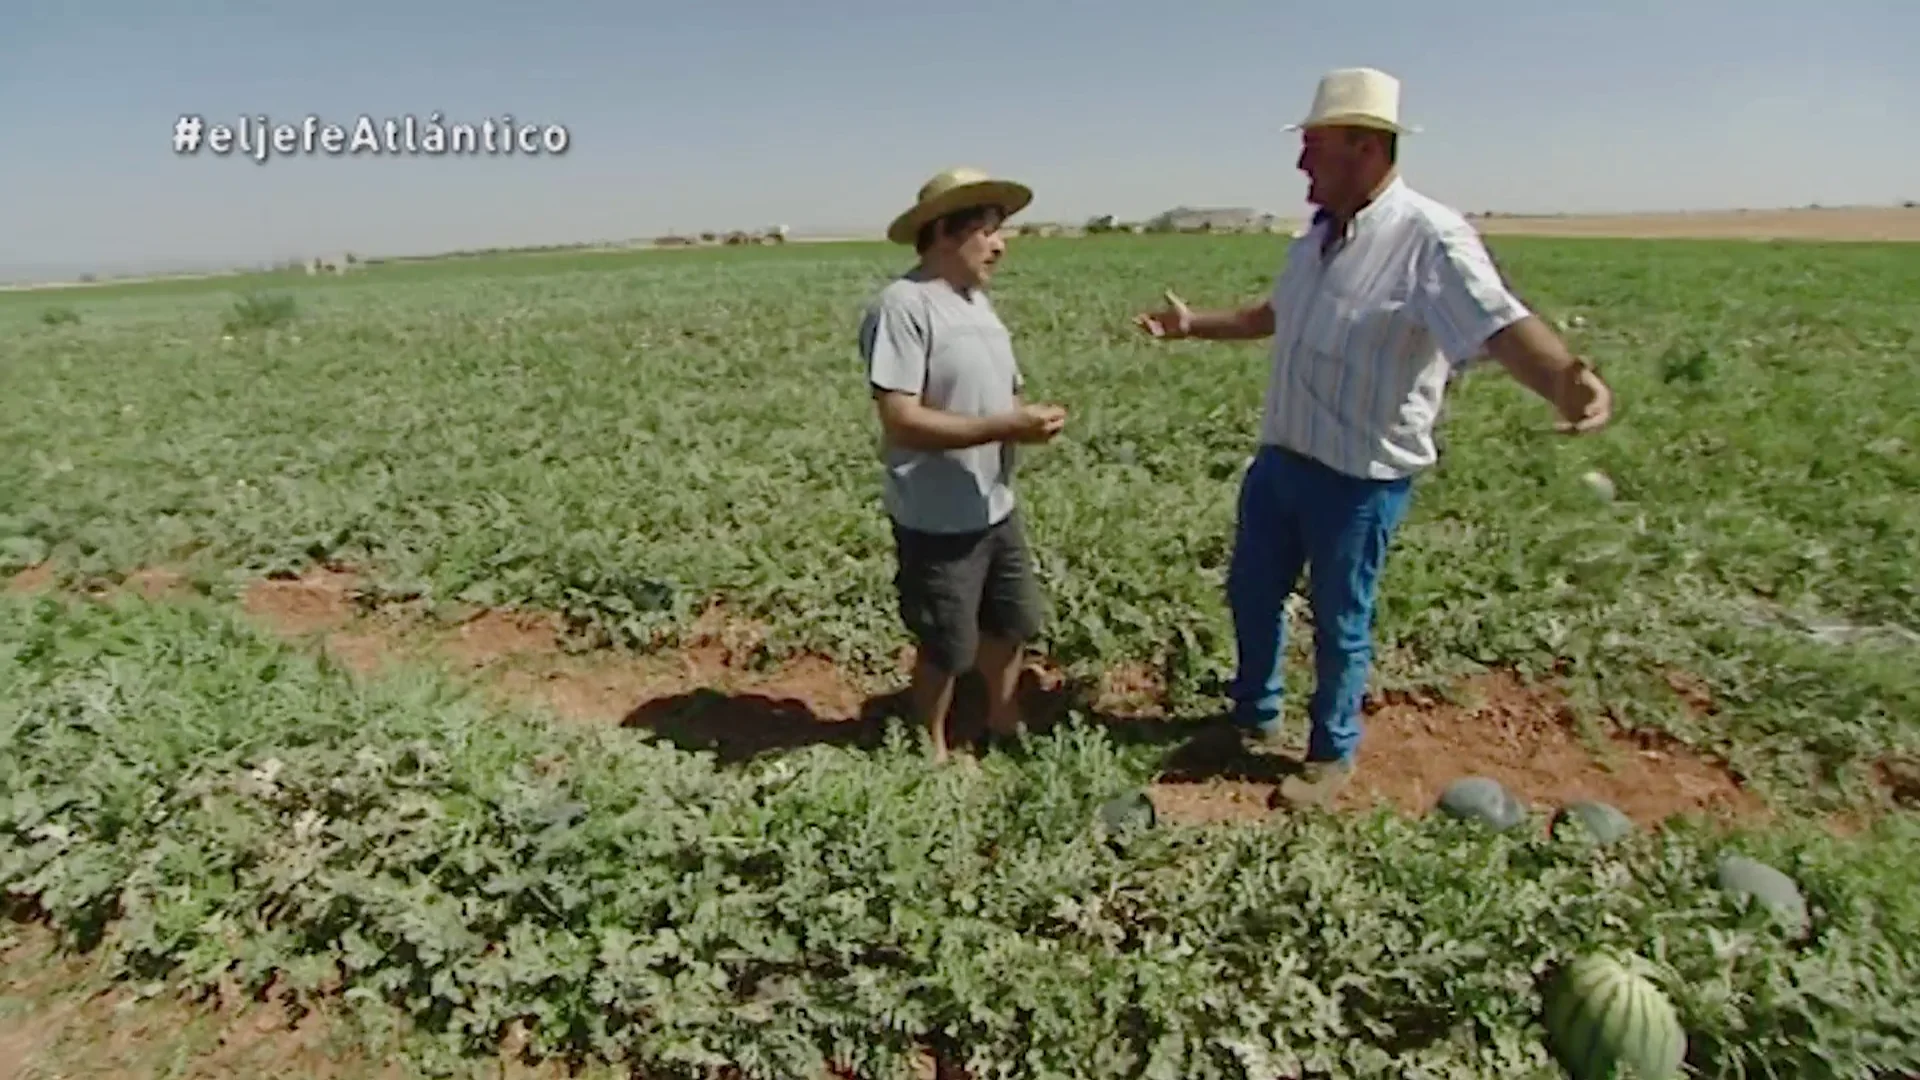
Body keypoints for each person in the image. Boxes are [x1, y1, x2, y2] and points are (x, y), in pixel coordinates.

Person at [1134, 67, 1614, 808]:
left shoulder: (1428, 238)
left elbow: (1497, 322)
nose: (1299, 164)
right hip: (1281, 459)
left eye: (1313, 147)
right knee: (1250, 594)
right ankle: (1251, 717)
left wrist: (1564, 379)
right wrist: (1194, 324)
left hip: (1358, 479)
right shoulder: (1318, 237)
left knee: (1339, 619)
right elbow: (1276, 315)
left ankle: (1330, 754)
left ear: (1363, 148)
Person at [860, 167, 1070, 762]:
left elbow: (991, 398)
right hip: (937, 515)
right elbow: (901, 418)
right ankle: (928, 745)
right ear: (945, 232)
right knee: (945, 642)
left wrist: (1025, 418)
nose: (1000, 244)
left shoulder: (978, 305)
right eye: (987, 231)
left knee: (1010, 624)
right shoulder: (904, 305)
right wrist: (1006, 426)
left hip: (994, 504)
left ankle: (1004, 720)